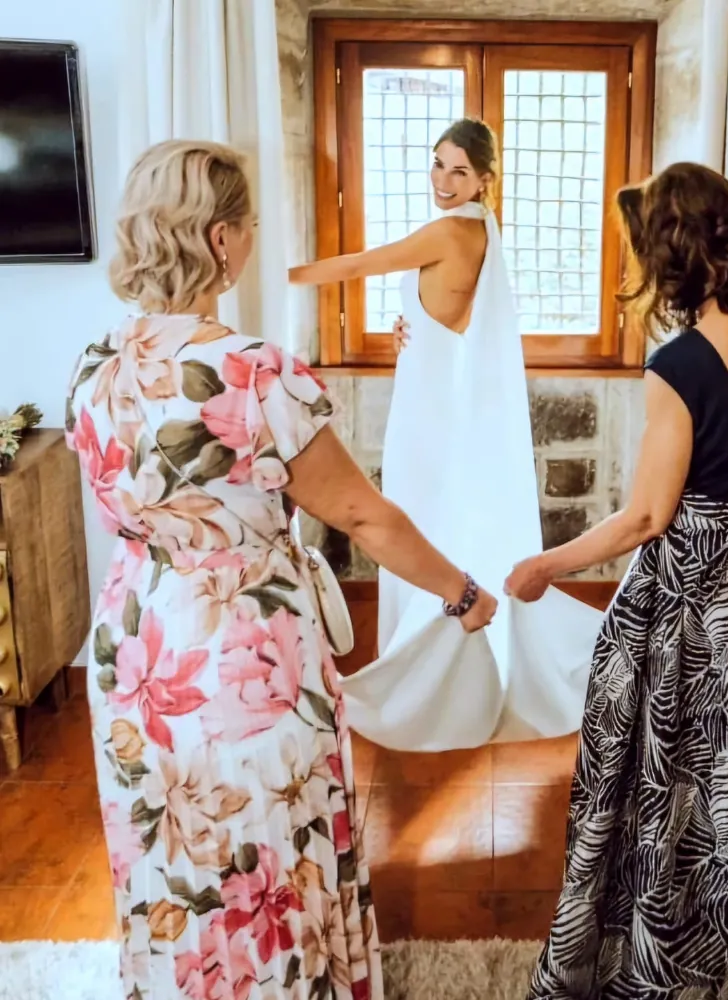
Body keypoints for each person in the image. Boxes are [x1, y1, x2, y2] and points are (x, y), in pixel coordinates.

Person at [65, 138, 496, 1000]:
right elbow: (362, 513)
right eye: (250, 223)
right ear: (221, 240)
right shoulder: (252, 372)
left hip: (135, 642)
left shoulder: (96, 361)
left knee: (170, 849)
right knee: (266, 849)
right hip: (240, 651)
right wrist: (463, 592)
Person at [506, 162, 728, 998]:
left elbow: (644, 518)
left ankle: (675, 971)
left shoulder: (679, 362)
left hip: (702, 602)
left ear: (668, 254)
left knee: (686, 790)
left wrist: (544, 567)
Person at [289, 117, 604, 752]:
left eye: (459, 170)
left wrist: (281, 276)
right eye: (437, 164)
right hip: (435, 387)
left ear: (486, 179)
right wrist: (411, 328)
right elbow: (443, 309)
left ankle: (433, 674)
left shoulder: (447, 230)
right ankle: (448, 647)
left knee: (419, 513)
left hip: (431, 405)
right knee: (434, 515)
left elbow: (362, 263)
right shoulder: (484, 228)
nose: (443, 179)